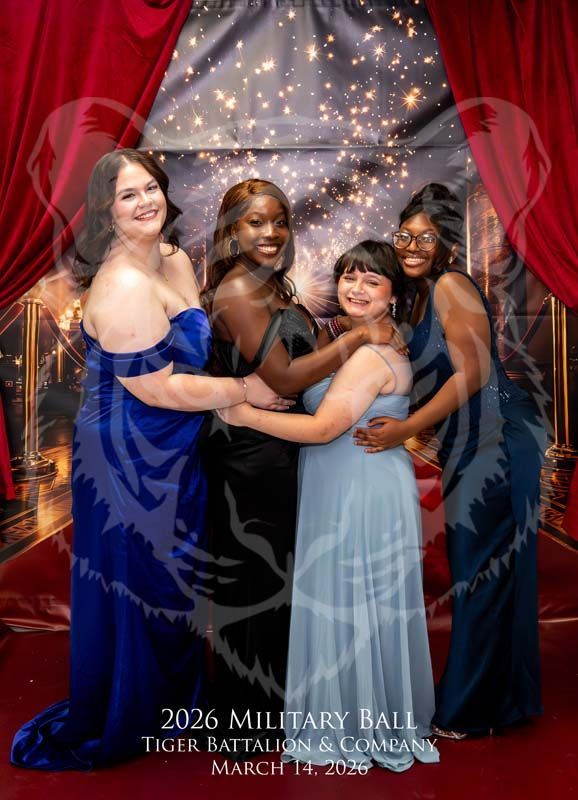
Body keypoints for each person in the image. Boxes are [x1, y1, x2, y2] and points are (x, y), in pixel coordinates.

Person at [10, 149, 287, 770]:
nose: (146, 202)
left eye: (151, 188)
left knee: (173, 575)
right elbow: (158, 387)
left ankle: (172, 697)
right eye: (127, 195)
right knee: (139, 578)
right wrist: (246, 391)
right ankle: (131, 708)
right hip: (127, 453)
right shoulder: (125, 285)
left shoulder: (171, 257)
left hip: (175, 443)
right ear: (107, 212)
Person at [200, 182, 404, 756]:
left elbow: (306, 364)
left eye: (280, 221)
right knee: (256, 585)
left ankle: (279, 707)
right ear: (231, 231)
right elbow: (288, 379)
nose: (271, 233)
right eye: (255, 223)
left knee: (281, 585)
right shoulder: (239, 290)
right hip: (250, 459)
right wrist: (361, 334)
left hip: (282, 454)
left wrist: (356, 342)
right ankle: (246, 725)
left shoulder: (273, 286)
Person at [218, 241, 439, 772]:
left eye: (372, 282)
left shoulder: (371, 354)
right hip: (347, 481)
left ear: (393, 296)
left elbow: (322, 428)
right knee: (354, 604)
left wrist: (243, 414)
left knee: (354, 604)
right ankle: (357, 710)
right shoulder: (349, 340)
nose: (356, 289)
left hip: (357, 489)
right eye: (349, 277)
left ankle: (358, 722)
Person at [352, 184, 546, 738]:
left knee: (479, 572)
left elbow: (475, 372)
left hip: (497, 440)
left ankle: (468, 709)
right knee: (485, 570)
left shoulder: (451, 286)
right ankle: (499, 700)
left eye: (425, 237)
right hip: (473, 441)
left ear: (447, 243)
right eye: (405, 235)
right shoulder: (423, 293)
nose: (412, 246)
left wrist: (408, 429)